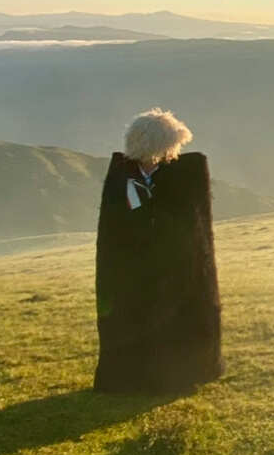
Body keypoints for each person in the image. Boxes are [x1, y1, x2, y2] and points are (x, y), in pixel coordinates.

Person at [93, 109, 223, 393]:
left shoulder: (185, 174)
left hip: (174, 266)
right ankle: (134, 375)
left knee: (173, 318)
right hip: (134, 266)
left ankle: (176, 372)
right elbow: (114, 226)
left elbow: (191, 225)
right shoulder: (122, 176)